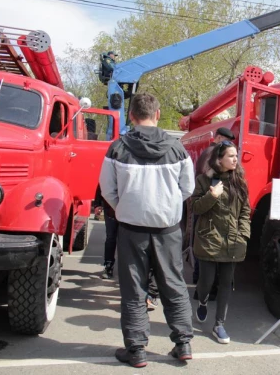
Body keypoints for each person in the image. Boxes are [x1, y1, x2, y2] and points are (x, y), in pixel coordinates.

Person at [99, 93, 195, 367]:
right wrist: (167, 205)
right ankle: (183, 343)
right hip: (167, 229)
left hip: (131, 229)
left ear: (131, 115)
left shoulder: (117, 147)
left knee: (133, 289)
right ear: (158, 113)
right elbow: (187, 189)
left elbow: (108, 190)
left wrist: (125, 208)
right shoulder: (177, 148)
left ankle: (136, 349)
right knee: (174, 284)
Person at [191, 140, 251, 345]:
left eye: (236, 156)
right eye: (230, 156)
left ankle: (219, 325)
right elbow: (195, 208)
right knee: (206, 282)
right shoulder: (203, 180)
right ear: (219, 159)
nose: (235, 159)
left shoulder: (240, 182)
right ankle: (203, 300)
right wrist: (211, 195)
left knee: (226, 284)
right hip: (209, 239)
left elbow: (245, 212)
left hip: (233, 240)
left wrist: (243, 235)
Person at [191, 126, 236, 297]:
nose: (227, 144)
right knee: (206, 250)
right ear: (218, 138)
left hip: (205, 200)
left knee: (201, 245)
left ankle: (200, 281)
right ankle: (203, 288)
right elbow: (208, 176)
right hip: (208, 201)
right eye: (225, 141)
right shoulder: (212, 153)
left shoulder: (206, 151)